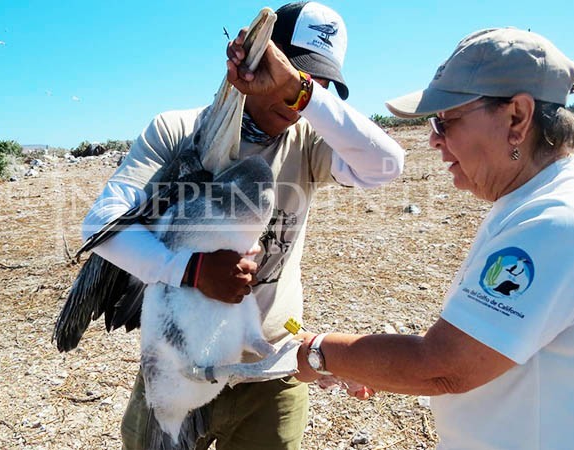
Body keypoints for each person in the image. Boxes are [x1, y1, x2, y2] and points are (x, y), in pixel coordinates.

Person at [293, 28, 574, 449]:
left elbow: (443, 366)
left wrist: (316, 353)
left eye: (446, 120)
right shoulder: (543, 199)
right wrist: (372, 364)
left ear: (517, 118)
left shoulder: (560, 221)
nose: (434, 139)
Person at [81, 2, 405, 449]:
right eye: (287, 71)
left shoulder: (310, 144)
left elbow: (387, 165)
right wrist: (193, 272)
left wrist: (302, 92)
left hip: (271, 373)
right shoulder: (179, 130)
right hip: (175, 368)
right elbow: (101, 225)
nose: (292, 102)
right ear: (253, 62)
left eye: (316, 83)